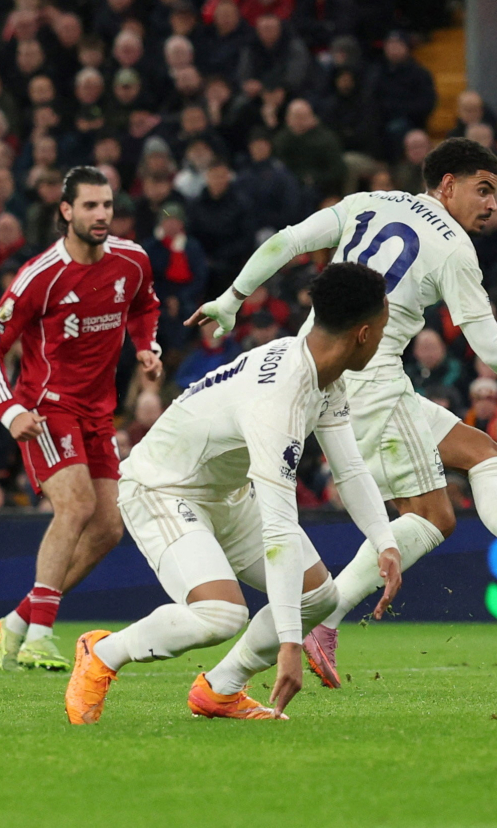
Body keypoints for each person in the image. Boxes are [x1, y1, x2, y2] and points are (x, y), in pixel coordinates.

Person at [189, 138, 497, 687]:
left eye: (496, 193)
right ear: (446, 184)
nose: (492, 204)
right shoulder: (453, 247)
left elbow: (286, 241)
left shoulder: (368, 201)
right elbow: (489, 348)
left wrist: (233, 297)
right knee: (433, 515)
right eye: (483, 189)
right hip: (367, 386)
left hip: (320, 372)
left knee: (482, 452)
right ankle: (301, 632)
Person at [63, 263, 401, 724]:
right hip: (162, 486)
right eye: (382, 330)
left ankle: (219, 690)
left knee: (319, 598)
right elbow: (280, 527)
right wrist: (288, 645)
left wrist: (385, 541)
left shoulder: (323, 371)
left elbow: (350, 468)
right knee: (221, 615)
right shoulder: (279, 400)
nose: (382, 340)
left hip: (226, 492)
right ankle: (103, 652)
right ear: (362, 334)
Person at [1, 167, 162, 672]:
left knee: (109, 528)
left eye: (108, 205)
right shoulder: (39, 277)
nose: (101, 215)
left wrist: (146, 347)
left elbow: (145, 306)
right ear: (66, 211)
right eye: (90, 206)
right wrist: (10, 411)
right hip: (47, 408)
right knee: (75, 506)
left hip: (98, 411)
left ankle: (16, 623)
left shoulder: (131, 260)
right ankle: (39, 637)